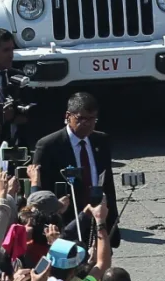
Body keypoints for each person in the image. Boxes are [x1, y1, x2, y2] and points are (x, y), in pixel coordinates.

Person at [32, 92, 120, 247]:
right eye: (81, 119)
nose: (87, 124)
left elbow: (108, 182)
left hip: (97, 218)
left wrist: (112, 219)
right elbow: (41, 191)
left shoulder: (101, 140)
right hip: (68, 223)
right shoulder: (48, 145)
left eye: (92, 119)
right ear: (68, 116)